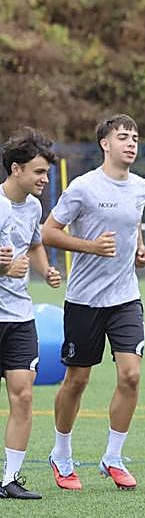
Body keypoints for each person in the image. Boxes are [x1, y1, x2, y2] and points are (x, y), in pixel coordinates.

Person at [40, 115, 145, 490]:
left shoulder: (142, 187)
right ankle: (61, 455)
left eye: (135, 137)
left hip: (126, 298)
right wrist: (90, 247)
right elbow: (48, 232)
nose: (131, 143)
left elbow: (133, 221)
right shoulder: (83, 187)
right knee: (77, 380)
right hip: (85, 300)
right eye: (123, 137)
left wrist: (139, 249)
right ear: (105, 144)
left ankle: (113, 458)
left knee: (131, 375)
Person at [0, 129, 63, 499]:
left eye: (47, 174)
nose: (44, 180)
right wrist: (3, 268)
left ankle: (9, 479)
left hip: (20, 317)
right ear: (16, 169)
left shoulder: (35, 207)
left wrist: (45, 270)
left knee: (23, 395)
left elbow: (35, 243)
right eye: (39, 172)